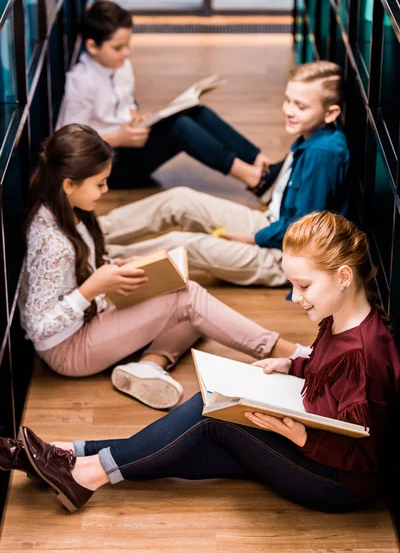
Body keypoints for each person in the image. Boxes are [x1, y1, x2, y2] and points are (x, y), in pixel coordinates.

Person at [3, 211, 399, 514]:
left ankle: (85, 473)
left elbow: (371, 460)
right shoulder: (338, 318)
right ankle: (67, 455)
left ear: (344, 276)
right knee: (188, 439)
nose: (295, 299)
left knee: (209, 411)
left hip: (336, 483)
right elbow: (328, 377)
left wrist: (301, 437)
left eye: (304, 286)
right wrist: (292, 367)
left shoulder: (368, 354)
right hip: (308, 448)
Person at [17, 124, 307, 412]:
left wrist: (112, 269)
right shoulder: (52, 243)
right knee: (189, 299)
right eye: (100, 183)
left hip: (92, 314)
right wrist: (93, 287)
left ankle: (149, 366)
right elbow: (37, 328)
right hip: (68, 349)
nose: (105, 190)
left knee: (195, 310)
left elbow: (77, 273)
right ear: (69, 184)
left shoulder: (70, 210)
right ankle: (290, 355)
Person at [97, 60, 350, 287]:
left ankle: (101, 260)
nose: (289, 110)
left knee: (182, 244)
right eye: (288, 100)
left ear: (331, 113)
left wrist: (251, 238)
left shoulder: (323, 154)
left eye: (300, 106)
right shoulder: (314, 138)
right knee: (179, 199)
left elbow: (301, 233)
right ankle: (92, 232)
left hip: (284, 257)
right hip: (272, 226)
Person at [56, 0, 274, 192]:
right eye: (118, 47)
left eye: (128, 44)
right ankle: (254, 179)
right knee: (180, 128)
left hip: (131, 143)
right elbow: (69, 142)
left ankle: (261, 162)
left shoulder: (121, 66)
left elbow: (126, 102)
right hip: (108, 165)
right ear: (92, 46)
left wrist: (135, 115)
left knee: (197, 112)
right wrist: (116, 138)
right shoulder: (81, 83)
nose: (127, 52)